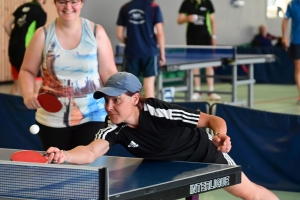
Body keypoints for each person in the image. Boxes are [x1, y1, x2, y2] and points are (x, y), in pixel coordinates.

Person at [47, 72, 279, 200]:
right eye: (106, 100)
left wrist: (221, 136)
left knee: (251, 195)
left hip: (203, 154)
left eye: (116, 100)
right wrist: (64, 155)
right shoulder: (114, 128)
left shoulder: (160, 111)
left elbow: (212, 120)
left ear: (135, 99)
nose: (109, 107)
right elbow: (90, 151)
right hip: (164, 166)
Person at [18, 0, 118, 150]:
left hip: (93, 114)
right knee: (59, 169)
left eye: (73, 2)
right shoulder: (42, 34)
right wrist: (27, 94)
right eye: (62, 2)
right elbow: (27, 70)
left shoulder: (96, 32)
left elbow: (109, 72)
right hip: (51, 118)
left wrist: (119, 101)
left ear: (82, 3)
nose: (68, 7)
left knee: (89, 166)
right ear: (55, 3)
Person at [116, 0, 166, 98]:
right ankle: (149, 112)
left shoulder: (125, 7)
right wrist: (162, 54)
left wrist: (130, 43)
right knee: (149, 88)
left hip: (131, 53)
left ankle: (130, 113)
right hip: (150, 53)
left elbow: (119, 34)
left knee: (130, 89)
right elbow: (160, 33)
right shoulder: (154, 7)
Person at [177, 0, 221, 101]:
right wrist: (187, 18)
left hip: (206, 38)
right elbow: (179, 20)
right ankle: (197, 91)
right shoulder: (186, 3)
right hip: (192, 39)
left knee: (209, 64)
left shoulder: (207, 3)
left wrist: (213, 36)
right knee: (194, 65)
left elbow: (213, 20)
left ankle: (211, 91)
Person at [3, 0, 47, 95]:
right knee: (37, 84)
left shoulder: (21, 8)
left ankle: (10, 109)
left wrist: (16, 39)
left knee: (18, 85)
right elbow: (39, 36)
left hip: (13, 49)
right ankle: (35, 110)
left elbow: (6, 24)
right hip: (26, 52)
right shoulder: (40, 13)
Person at [282, 0, 300, 105]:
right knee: (298, 68)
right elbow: (285, 20)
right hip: (296, 42)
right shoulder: (292, 4)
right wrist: (284, 36)